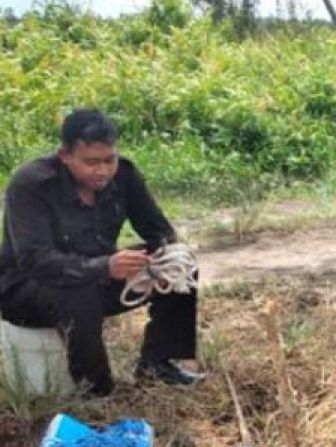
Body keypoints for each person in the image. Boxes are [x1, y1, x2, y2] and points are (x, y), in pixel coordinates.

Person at [0, 109, 202, 397]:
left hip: (97, 276)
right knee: (80, 292)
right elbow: (34, 261)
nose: (103, 171)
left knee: (180, 263)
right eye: (91, 162)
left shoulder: (124, 176)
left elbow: (158, 230)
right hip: (27, 290)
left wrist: (161, 258)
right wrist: (104, 267)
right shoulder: (31, 185)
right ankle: (96, 391)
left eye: (109, 160)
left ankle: (158, 364)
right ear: (65, 156)